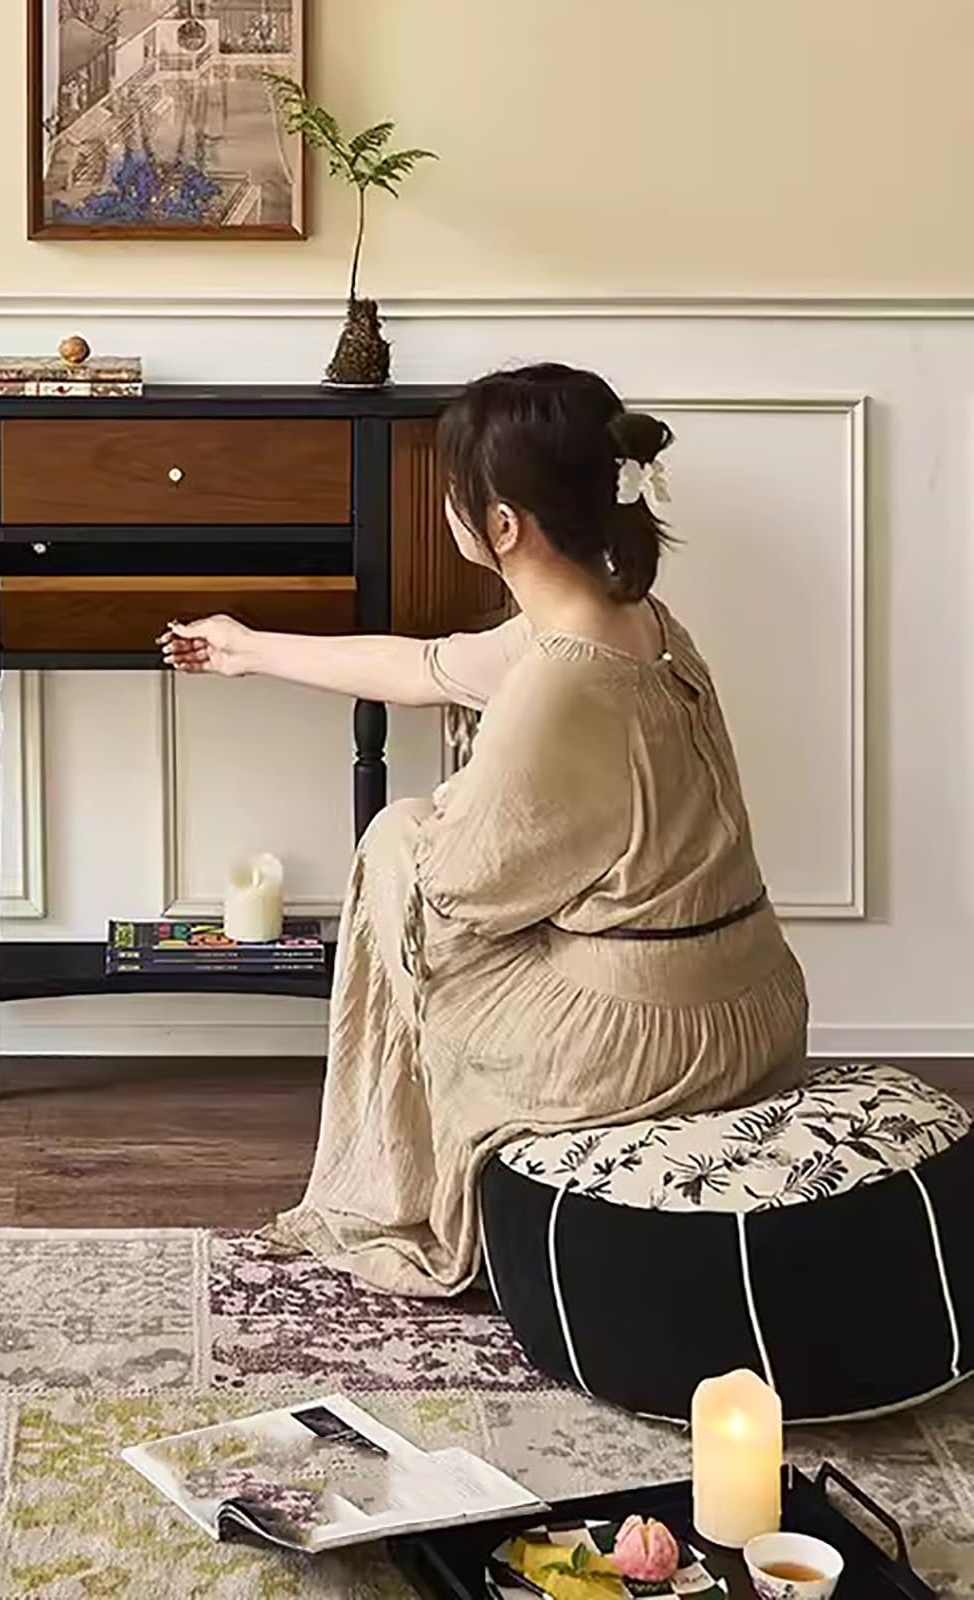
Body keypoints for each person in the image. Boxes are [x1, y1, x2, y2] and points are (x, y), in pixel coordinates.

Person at [159, 363, 808, 1298]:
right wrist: (249, 648)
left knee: (396, 842)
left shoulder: (559, 688)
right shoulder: (634, 621)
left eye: (453, 496)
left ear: (501, 524)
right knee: (421, 833)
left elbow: (452, 900)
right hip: (756, 1001)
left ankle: (395, 1189)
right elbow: (428, 666)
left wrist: (437, 817)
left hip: (657, 1040)